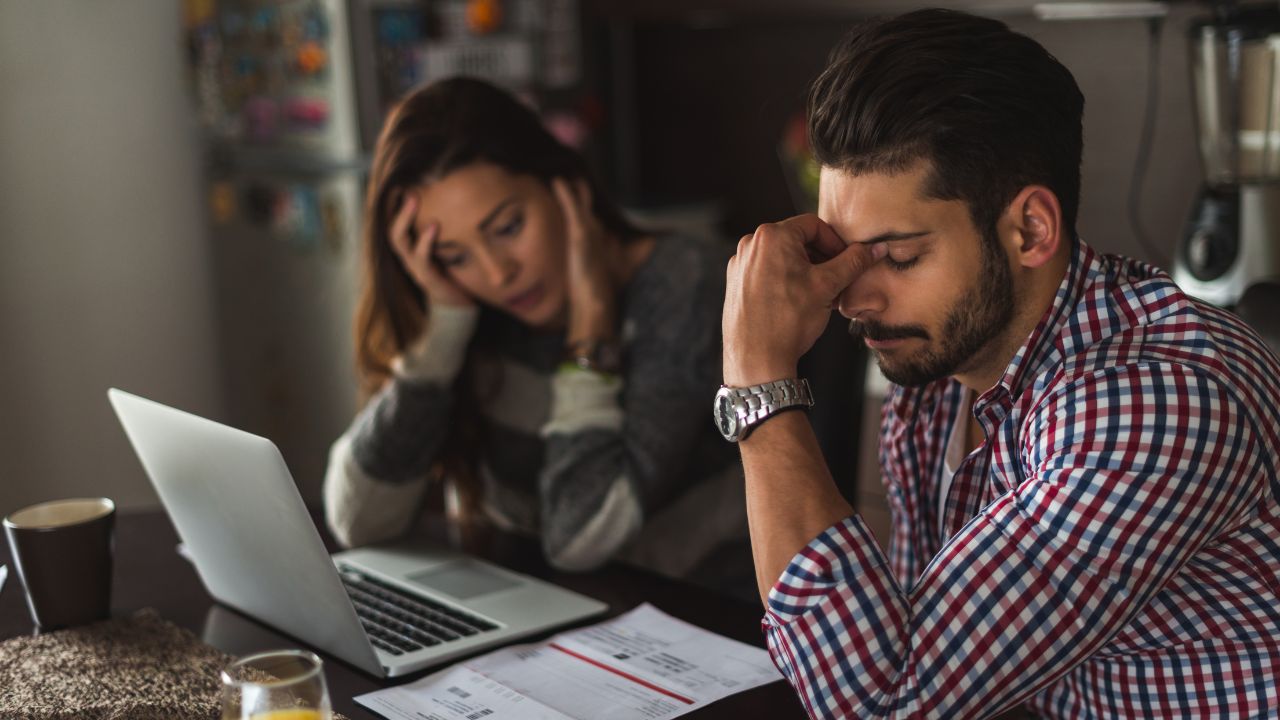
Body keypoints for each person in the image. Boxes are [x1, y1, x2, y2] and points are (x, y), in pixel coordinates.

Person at [717, 9, 1280, 718]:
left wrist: (759, 383)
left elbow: (886, 701)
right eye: (841, 254)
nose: (854, 298)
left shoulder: (1155, 401)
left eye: (896, 256)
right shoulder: (933, 376)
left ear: (1030, 229)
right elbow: (915, 650)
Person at [324, 77, 747, 592]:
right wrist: (442, 334)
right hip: (541, 616)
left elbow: (580, 538)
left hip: (697, 623)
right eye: (455, 256)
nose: (497, 273)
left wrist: (591, 327)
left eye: (507, 227)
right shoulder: (473, 310)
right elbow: (357, 522)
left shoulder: (684, 285)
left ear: (564, 184)